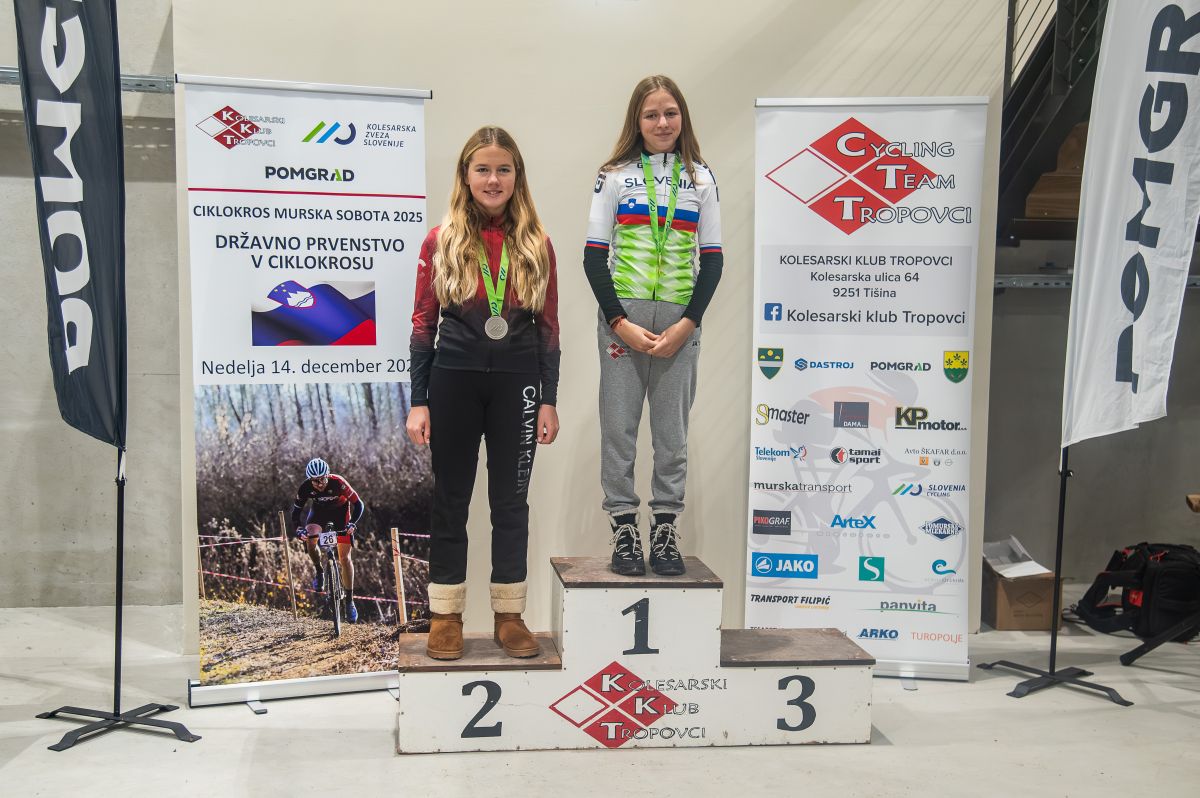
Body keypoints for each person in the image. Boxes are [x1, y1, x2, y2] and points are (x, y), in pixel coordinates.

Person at [407, 126, 560, 660]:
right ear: (465, 176)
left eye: (503, 170)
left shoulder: (537, 244)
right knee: (450, 500)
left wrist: (548, 398)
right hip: (453, 382)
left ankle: (509, 615)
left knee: (510, 503)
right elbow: (423, 324)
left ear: (517, 177)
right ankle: (445, 616)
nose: (493, 180)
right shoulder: (440, 240)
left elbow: (549, 329)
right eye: (483, 169)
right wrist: (419, 400)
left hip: (519, 386)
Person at [584, 75, 723, 577]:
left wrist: (689, 324)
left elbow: (713, 259)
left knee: (672, 435)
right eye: (651, 114)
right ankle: (624, 527)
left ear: (682, 116)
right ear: (636, 121)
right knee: (619, 430)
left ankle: (665, 529)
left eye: (670, 113)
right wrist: (618, 322)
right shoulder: (614, 176)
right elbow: (593, 257)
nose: (662, 123)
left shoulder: (701, 178)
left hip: (680, 324)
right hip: (624, 321)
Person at [290, 457, 365, 623]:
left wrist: (352, 523)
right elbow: (296, 512)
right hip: (319, 513)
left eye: (322, 479)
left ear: (328, 475)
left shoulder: (338, 483)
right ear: (310, 480)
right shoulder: (305, 487)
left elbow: (359, 504)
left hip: (341, 514)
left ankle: (349, 601)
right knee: (310, 538)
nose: (319, 484)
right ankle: (319, 572)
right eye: (315, 481)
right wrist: (299, 529)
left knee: (344, 558)